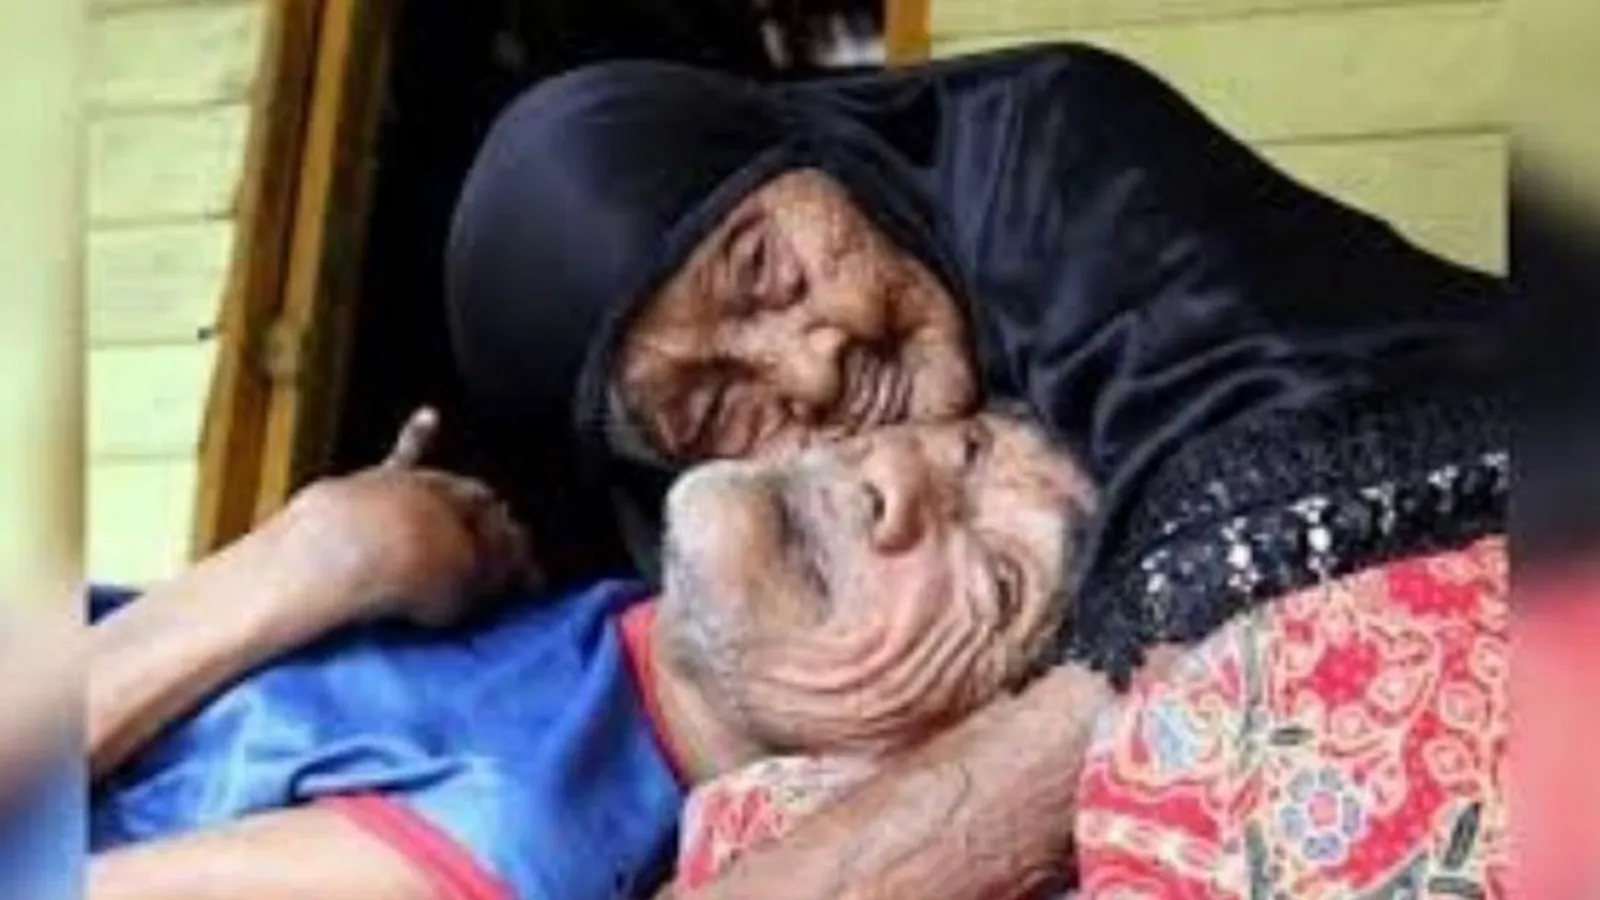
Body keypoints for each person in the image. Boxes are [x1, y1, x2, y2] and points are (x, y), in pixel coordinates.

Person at [442, 44, 1511, 897]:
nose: (811, 365)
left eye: (764, 270)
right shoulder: (805, 649)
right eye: (720, 408)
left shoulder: (1064, 153)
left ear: (803, 156)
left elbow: (1257, 537)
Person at [88, 408, 1099, 900]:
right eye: (968, 446)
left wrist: (308, 559)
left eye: (997, 581)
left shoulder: (521, 843)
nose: (902, 487)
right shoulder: (597, 646)